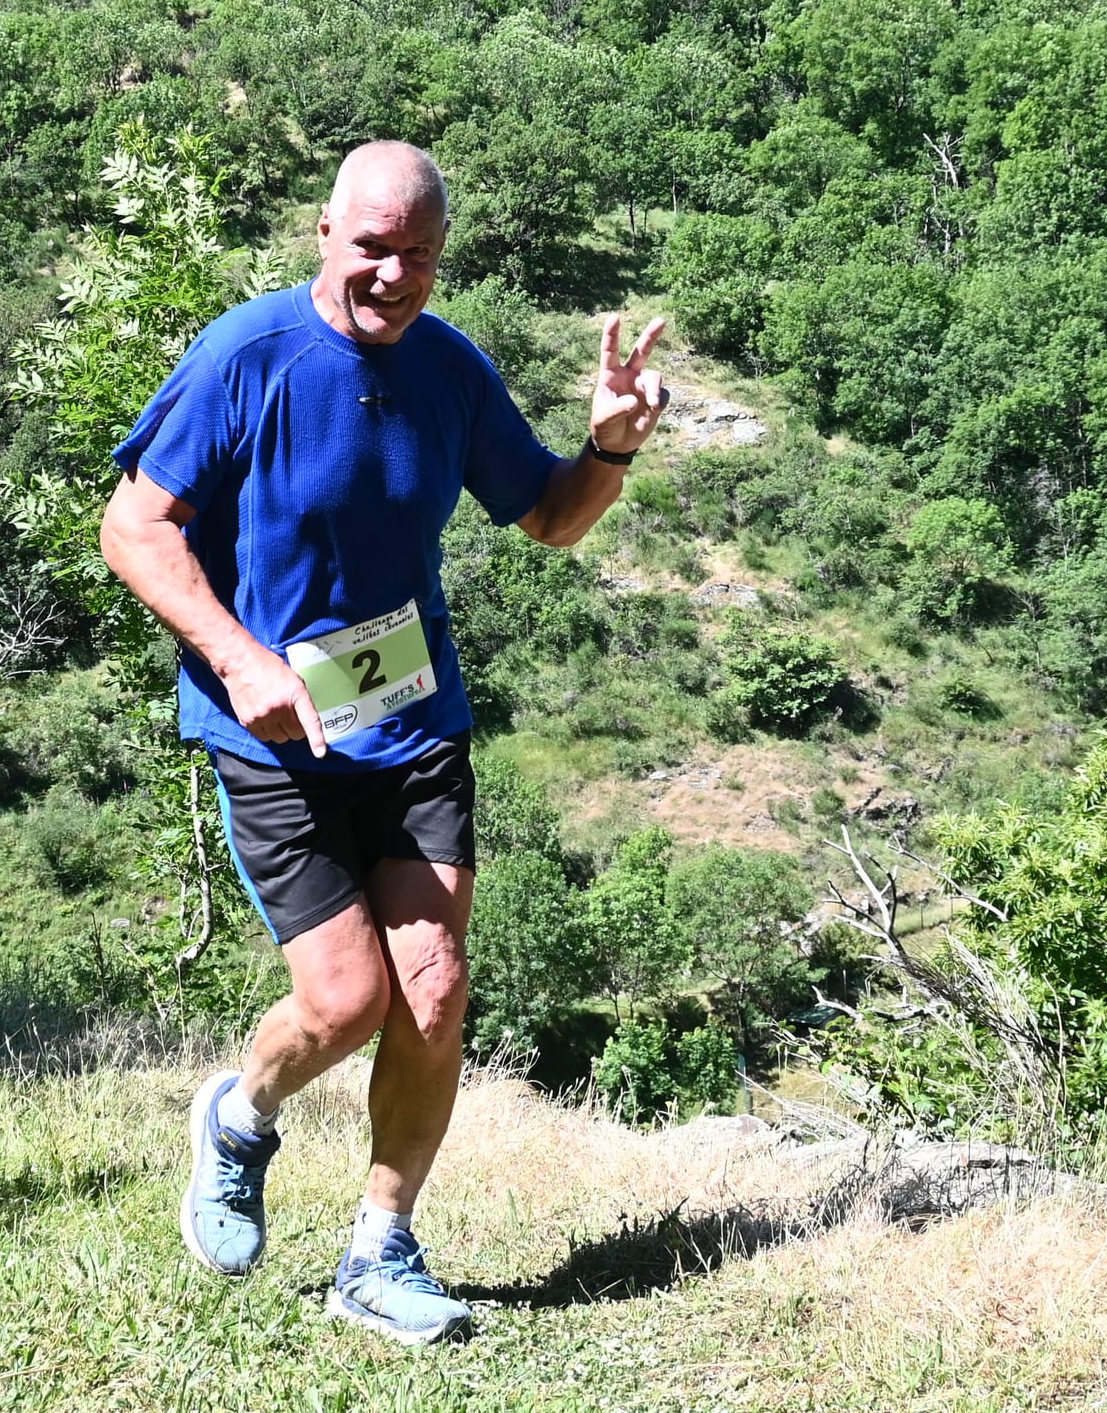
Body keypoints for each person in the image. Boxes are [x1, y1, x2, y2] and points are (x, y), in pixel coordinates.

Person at [99, 140, 668, 1345]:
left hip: (410, 724)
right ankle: (241, 1117)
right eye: (371, 245)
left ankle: (381, 1246)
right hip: (273, 737)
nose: (393, 273)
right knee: (347, 998)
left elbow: (551, 517)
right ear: (322, 232)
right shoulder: (245, 355)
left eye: (416, 252)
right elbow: (136, 528)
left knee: (436, 988)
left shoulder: (448, 368)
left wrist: (609, 443)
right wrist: (239, 659)